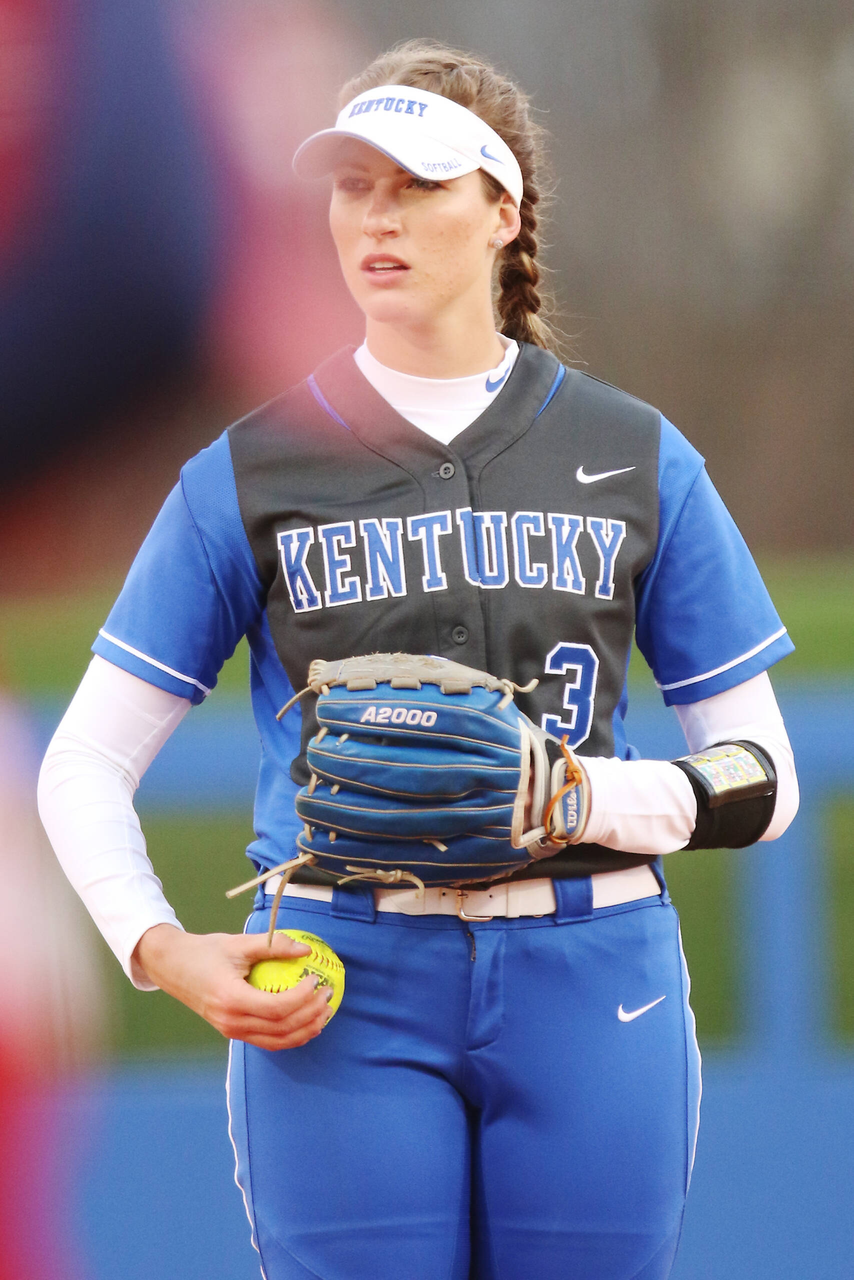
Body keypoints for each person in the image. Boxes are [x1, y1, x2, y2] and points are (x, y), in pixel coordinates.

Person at [38, 39, 799, 1280]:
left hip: (590, 965)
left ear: (503, 210)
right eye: (352, 183)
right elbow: (82, 765)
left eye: (418, 183)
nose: (375, 216)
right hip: (340, 977)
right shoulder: (251, 468)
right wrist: (160, 948)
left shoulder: (633, 453)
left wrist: (577, 794)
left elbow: (767, 773)